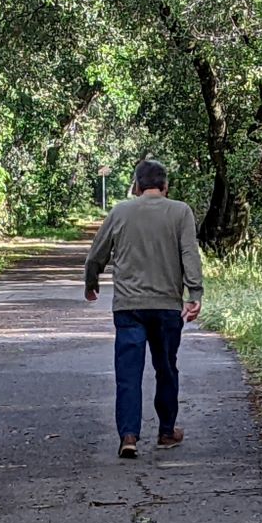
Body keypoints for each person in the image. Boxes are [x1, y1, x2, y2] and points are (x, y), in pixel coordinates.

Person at [83, 159, 204, 459]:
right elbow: (189, 254)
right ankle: (166, 432)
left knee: (128, 373)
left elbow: (96, 254)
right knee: (166, 368)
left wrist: (91, 283)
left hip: (129, 308)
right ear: (165, 186)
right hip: (166, 307)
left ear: (136, 186)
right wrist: (195, 293)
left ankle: (129, 435)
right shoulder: (180, 211)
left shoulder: (120, 211)